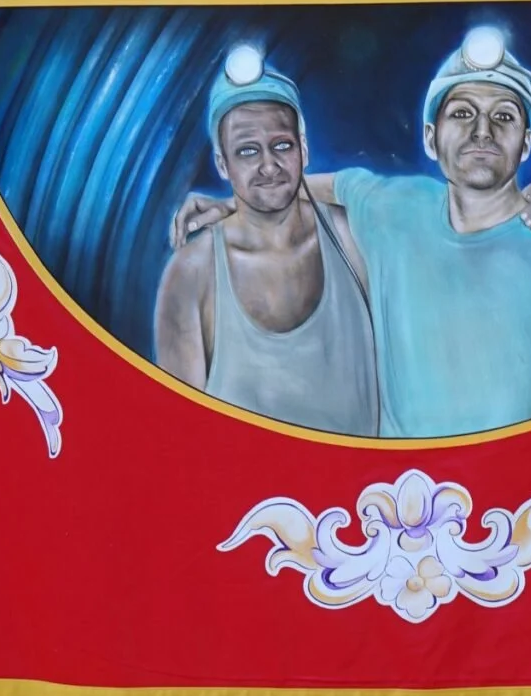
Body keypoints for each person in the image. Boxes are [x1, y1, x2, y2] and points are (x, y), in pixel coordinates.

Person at [171, 28, 531, 435]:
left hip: (503, 513)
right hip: (389, 511)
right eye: (463, 114)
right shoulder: (397, 209)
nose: (482, 131)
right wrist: (234, 199)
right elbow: (307, 184)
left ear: (526, 142)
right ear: (431, 138)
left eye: (504, 117)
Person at [154, 47, 379, 434]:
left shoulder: (352, 236)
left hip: (358, 493)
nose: (269, 165)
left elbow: (435, 210)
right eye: (247, 151)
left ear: (304, 150)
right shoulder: (192, 273)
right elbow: (181, 432)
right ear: (222, 164)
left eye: (282, 145)